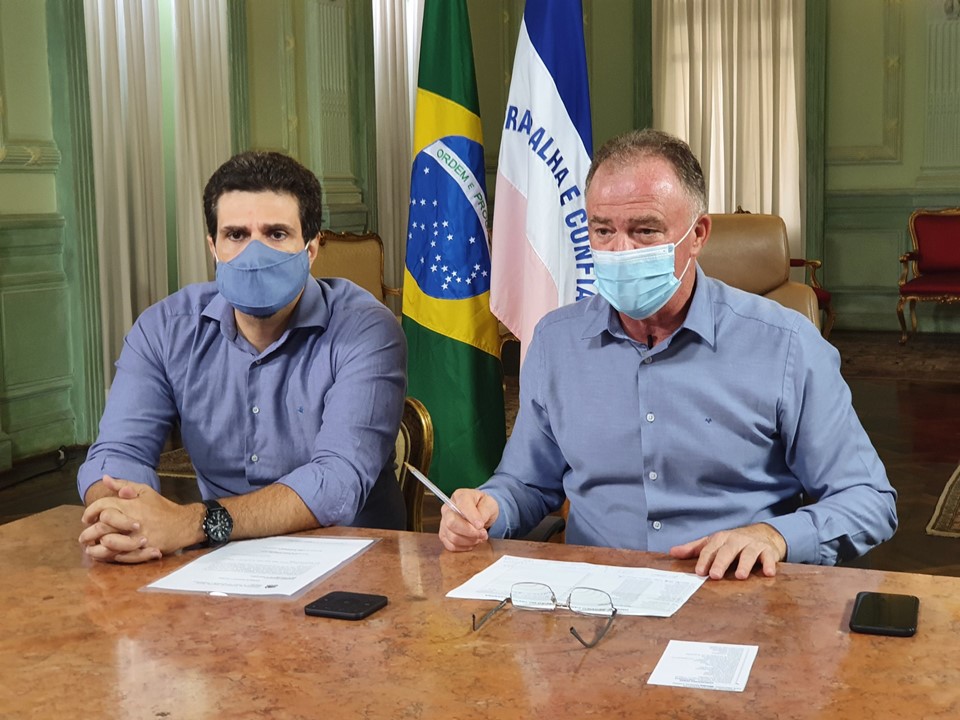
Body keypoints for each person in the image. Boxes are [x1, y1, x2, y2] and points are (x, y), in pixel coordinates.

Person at [439, 129, 897, 579]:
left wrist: (776, 537)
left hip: (734, 593)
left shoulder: (787, 345)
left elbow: (868, 500)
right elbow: (525, 482)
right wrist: (489, 506)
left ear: (697, 234)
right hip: (595, 596)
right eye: (603, 230)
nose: (621, 250)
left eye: (645, 230)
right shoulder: (556, 342)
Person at [78, 151, 407, 563]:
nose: (254, 254)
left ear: (311, 248)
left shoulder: (365, 329)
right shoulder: (165, 328)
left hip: (352, 560)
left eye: (276, 234)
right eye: (235, 235)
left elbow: (336, 483)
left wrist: (195, 523)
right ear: (213, 247)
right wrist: (121, 515)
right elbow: (116, 453)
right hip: (219, 564)